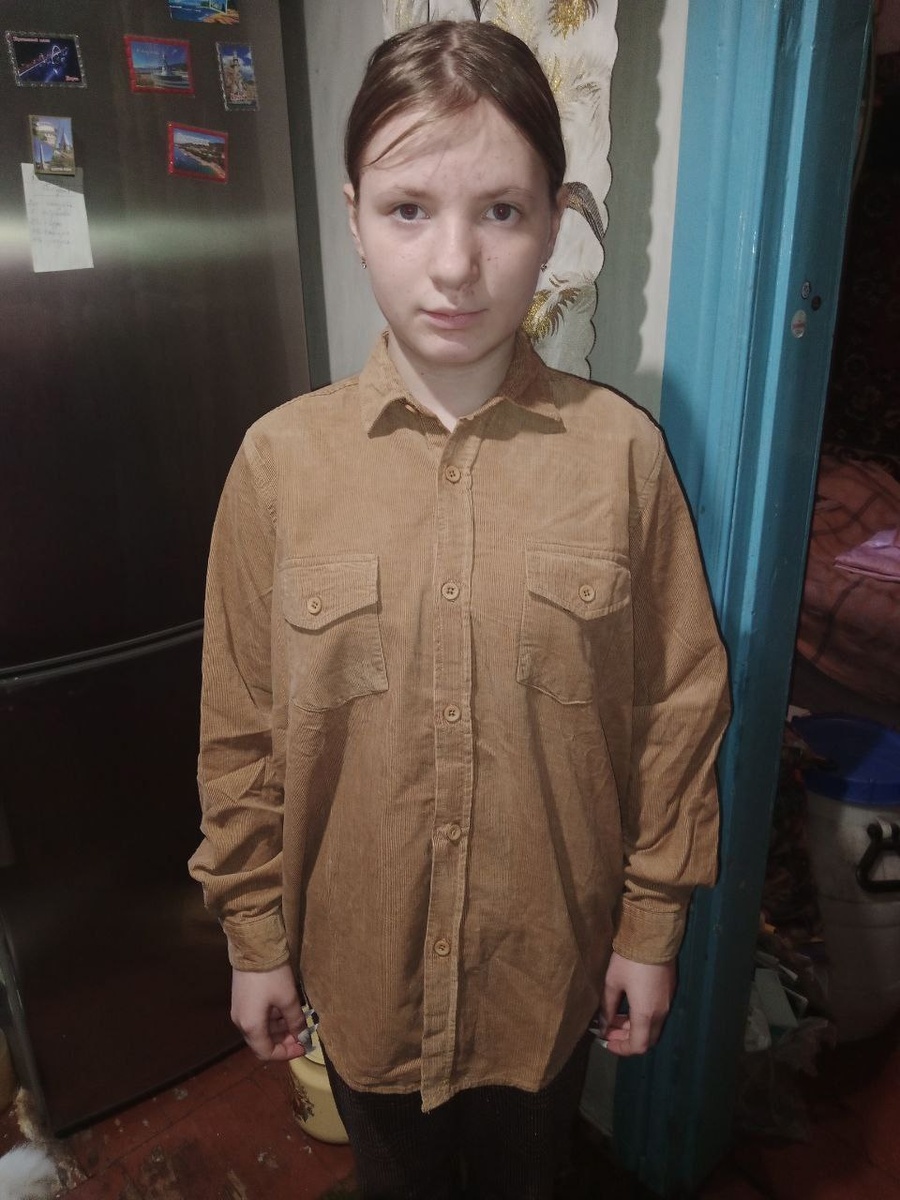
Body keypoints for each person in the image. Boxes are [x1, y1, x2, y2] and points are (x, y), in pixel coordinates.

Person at [190, 19, 730, 1200]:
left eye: (500, 210)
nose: (454, 265)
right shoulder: (279, 466)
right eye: (408, 209)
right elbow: (241, 732)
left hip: (546, 977)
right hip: (362, 981)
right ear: (353, 218)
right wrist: (253, 939)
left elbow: (678, 710)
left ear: (554, 222)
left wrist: (650, 927)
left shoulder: (622, 458)